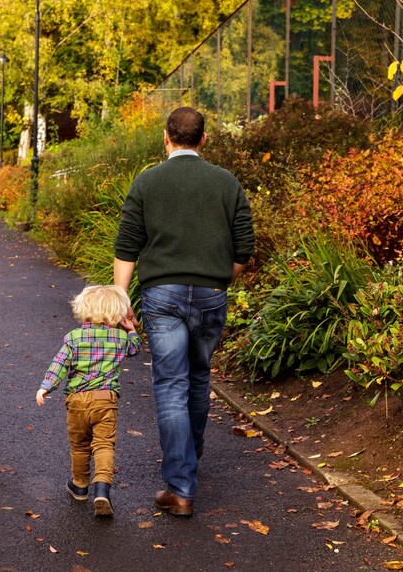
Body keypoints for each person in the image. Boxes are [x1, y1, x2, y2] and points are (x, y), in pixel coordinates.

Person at [113, 106, 254, 517]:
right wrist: (216, 278)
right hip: (211, 293)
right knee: (197, 378)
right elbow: (244, 245)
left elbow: (127, 244)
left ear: (166, 137)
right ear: (204, 139)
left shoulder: (148, 181)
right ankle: (187, 467)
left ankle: (180, 486)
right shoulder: (225, 182)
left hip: (162, 296)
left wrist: (122, 298)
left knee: (170, 383)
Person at [35, 285, 142, 518]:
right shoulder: (120, 337)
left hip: (77, 401)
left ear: (83, 309)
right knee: (104, 444)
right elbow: (135, 349)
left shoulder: (74, 338)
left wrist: (46, 387)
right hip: (106, 400)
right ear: (117, 312)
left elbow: (59, 364)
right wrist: (131, 329)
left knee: (80, 445)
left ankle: (80, 485)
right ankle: (102, 489)